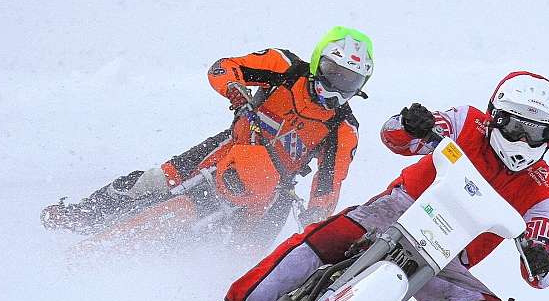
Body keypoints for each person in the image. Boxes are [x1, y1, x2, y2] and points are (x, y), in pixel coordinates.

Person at [190, 71, 549, 301]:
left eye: (536, 134)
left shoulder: (546, 192)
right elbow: (394, 137)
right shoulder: (467, 123)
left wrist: (538, 255)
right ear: (496, 118)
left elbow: (541, 275)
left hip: (443, 260)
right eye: (515, 127)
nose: (521, 142)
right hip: (398, 212)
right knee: (320, 241)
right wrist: (412, 123)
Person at [41, 26, 374, 244]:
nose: (335, 89)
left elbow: (329, 183)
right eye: (332, 73)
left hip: (274, 191)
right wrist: (233, 89)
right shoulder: (285, 67)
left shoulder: (342, 128)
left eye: (349, 82)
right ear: (318, 63)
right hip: (230, 147)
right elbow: (222, 67)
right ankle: (86, 212)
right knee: (154, 181)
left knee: (247, 259)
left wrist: (316, 219)